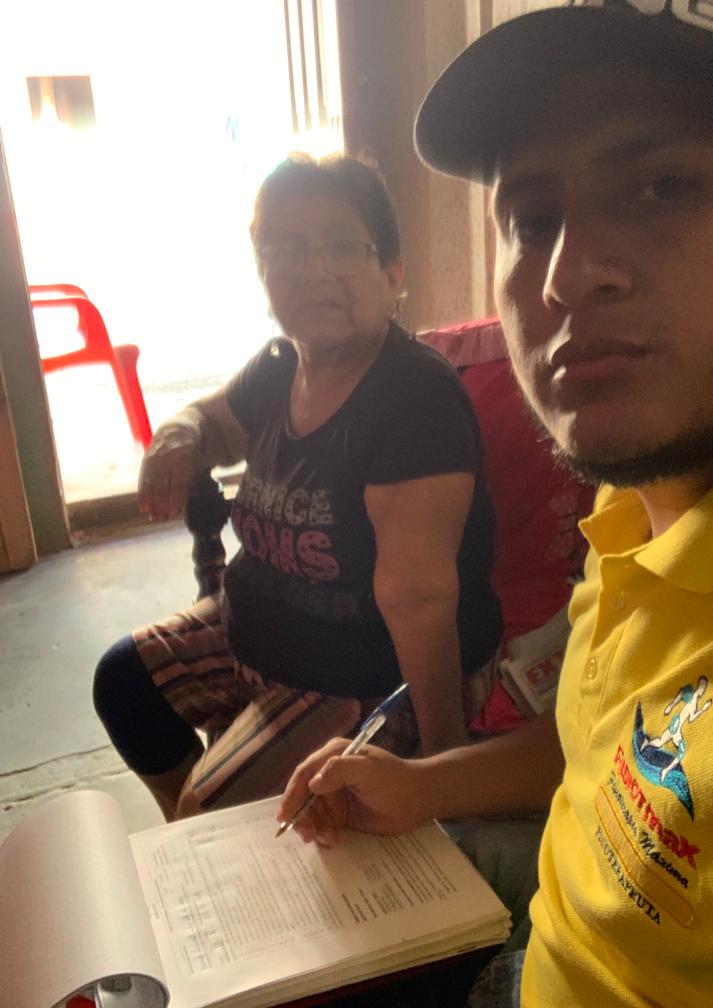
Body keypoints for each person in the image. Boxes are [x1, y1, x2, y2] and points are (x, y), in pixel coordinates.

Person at [277, 4, 713, 1008]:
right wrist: (425, 783)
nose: (566, 275)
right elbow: (609, 748)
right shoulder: (636, 510)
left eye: (666, 186)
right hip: (538, 945)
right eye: (533, 218)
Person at [93, 153, 502, 821]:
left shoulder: (413, 398)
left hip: (370, 673)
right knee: (124, 684)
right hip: (258, 631)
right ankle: (209, 825)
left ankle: (215, 826)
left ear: (392, 273)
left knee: (209, 812)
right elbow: (208, 423)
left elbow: (419, 600)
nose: (313, 271)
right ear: (264, 276)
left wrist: (442, 773)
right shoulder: (279, 367)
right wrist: (177, 433)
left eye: (342, 247)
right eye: (285, 252)